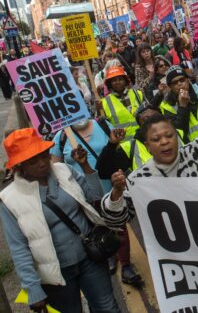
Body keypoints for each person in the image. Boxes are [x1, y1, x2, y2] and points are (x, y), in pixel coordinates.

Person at [0, 128, 120, 313]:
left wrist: (86, 167)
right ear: (19, 165)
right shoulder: (9, 200)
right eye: (33, 161)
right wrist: (33, 289)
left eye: (44, 155)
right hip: (56, 275)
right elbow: (18, 248)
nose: (42, 163)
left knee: (107, 307)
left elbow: (95, 197)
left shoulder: (64, 170)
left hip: (90, 258)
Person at [100, 67, 198, 228]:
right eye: (156, 139)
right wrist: (117, 192)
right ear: (148, 146)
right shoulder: (141, 179)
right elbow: (115, 219)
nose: (164, 142)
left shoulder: (193, 153)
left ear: (177, 136)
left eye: (169, 135)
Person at [49, 119, 143, 285]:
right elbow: (56, 168)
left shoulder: (103, 125)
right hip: (83, 195)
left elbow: (120, 150)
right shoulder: (61, 136)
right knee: (96, 229)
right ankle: (108, 256)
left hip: (111, 187)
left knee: (118, 227)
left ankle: (126, 265)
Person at [159, 65, 198, 144]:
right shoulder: (166, 106)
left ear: (187, 80)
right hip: (191, 148)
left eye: (182, 80)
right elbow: (179, 134)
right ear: (170, 87)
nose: (179, 84)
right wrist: (183, 106)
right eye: (175, 82)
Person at [101, 66, 144, 141]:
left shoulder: (138, 94)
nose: (117, 82)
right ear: (110, 84)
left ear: (125, 81)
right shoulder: (104, 102)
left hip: (143, 139)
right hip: (123, 145)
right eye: (114, 80)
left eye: (120, 79)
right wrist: (99, 111)